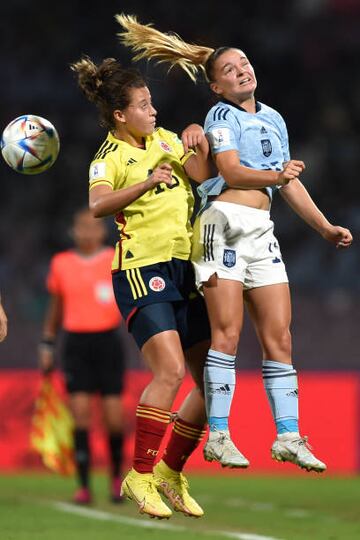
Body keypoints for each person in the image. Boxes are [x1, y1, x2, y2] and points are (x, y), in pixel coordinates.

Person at [116, 14, 353, 473]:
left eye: (244, 63)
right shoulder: (220, 116)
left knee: (280, 335)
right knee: (226, 333)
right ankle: (219, 435)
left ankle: (287, 435)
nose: (242, 69)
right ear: (217, 88)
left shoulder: (274, 119)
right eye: (229, 69)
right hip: (221, 225)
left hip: (261, 231)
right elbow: (229, 171)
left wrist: (324, 228)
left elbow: (288, 185)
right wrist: (276, 176)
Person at [71, 56, 213, 519]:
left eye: (152, 104)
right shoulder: (109, 157)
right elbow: (96, 205)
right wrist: (148, 181)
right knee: (169, 372)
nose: (153, 111)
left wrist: (195, 133)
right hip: (141, 269)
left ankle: (170, 471)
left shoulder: (167, 139)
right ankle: (140, 474)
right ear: (120, 114)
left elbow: (204, 177)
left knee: (213, 383)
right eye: (144, 105)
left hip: (185, 269)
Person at [39, 208, 126, 504]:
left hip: (108, 342)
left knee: (114, 417)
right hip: (75, 343)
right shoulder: (61, 263)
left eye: (93, 227)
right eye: (82, 227)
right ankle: (84, 485)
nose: (87, 232)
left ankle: (116, 479)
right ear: (73, 231)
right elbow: (56, 306)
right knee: (81, 416)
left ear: (102, 231)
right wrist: (47, 343)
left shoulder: (115, 258)